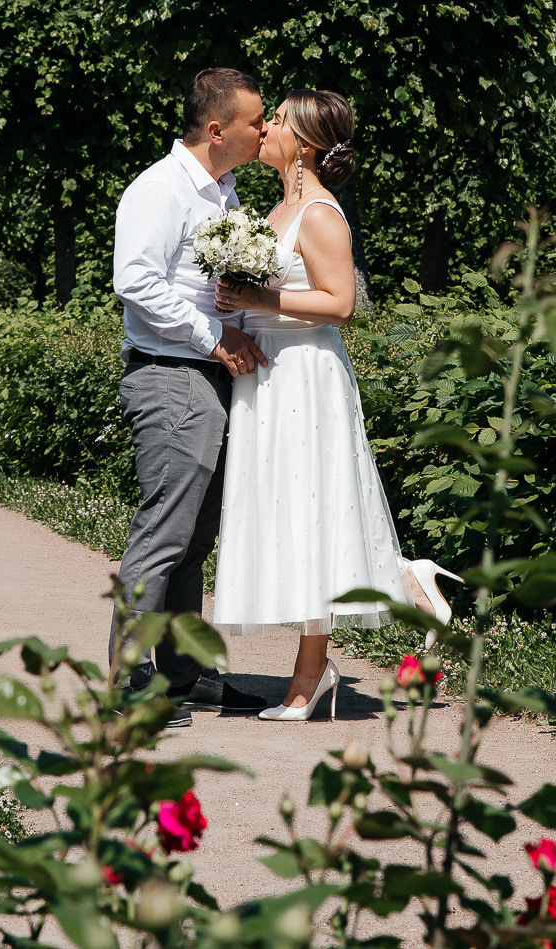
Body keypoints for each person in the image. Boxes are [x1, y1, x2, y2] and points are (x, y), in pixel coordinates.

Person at [211, 89, 459, 721]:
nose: (263, 129)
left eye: (278, 123)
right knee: (291, 516)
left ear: (306, 142)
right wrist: (234, 301)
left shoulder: (319, 212)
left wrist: (259, 302)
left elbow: (341, 303)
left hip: (305, 376)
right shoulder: (277, 206)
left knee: (310, 512)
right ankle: (408, 582)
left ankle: (310, 676)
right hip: (268, 373)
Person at [108, 67, 273, 725]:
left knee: (194, 537)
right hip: (171, 376)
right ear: (216, 129)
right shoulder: (160, 189)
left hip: (207, 376)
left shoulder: (222, 194)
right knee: (163, 530)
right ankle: (126, 679)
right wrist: (215, 339)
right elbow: (136, 282)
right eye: (256, 121)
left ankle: (184, 673)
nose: (264, 131)